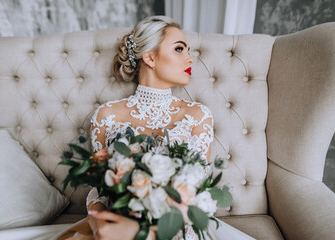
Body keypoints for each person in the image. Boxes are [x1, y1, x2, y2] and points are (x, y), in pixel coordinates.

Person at [54, 15, 255, 240]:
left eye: (188, 50)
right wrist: (99, 222)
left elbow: (196, 191)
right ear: (149, 57)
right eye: (179, 49)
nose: (190, 59)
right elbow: (100, 189)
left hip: (176, 230)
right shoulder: (107, 115)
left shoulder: (198, 116)